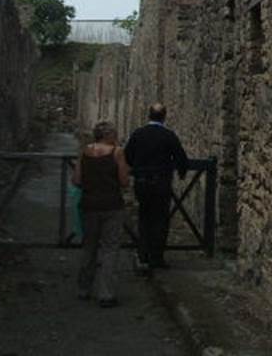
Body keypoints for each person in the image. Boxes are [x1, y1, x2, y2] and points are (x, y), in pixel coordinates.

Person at [124, 103, 189, 271]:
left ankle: (143, 254)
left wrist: (137, 168)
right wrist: (181, 172)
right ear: (164, 116)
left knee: (144, 218)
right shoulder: (168, 135)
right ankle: (157, 257)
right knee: (160, 219)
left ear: (149, 115)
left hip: (142, 182)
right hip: (161, 183)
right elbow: (181, 157)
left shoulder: (138, 134)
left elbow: (128, 156)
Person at [72, 120, 129, 307]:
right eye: (115, 134)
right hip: (112, 205)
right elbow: (124, 181)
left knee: (89, 247)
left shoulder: (85, 152)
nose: (117, 137)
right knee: (110, 249)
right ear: (109, 136)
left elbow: (77, 180)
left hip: (89, 205)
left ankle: (82, 289)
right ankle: (106, 294)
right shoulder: (117, 153)